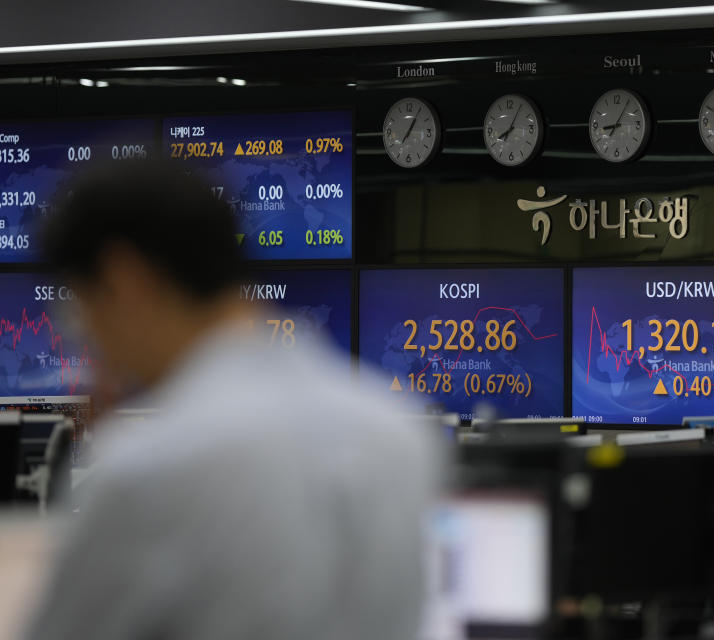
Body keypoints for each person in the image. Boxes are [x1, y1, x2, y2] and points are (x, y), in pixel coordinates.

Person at [22, 162, 439, 640]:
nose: (85, 336)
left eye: (78, 306)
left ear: (125, 278)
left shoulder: (147, 466)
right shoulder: (397, 427)